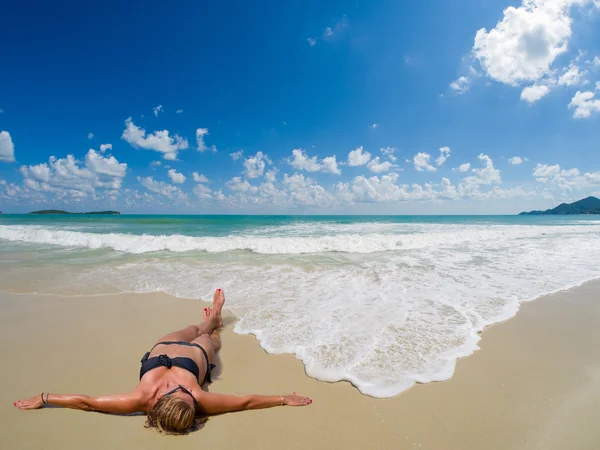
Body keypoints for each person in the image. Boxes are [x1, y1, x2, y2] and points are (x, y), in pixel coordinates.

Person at [14, 288, 312, 434]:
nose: (184, 391)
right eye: (189, 397)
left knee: (195, 328)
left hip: (165, 345)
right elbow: (245, 401)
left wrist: (45, 397)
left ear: (158, 401)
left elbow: (88, 402)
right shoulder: (197, 396)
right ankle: (217, 323)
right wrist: (284, 399)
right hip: (198, 360)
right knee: (211, 341)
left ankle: (208, 320)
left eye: (178, 393)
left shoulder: (139, 398)